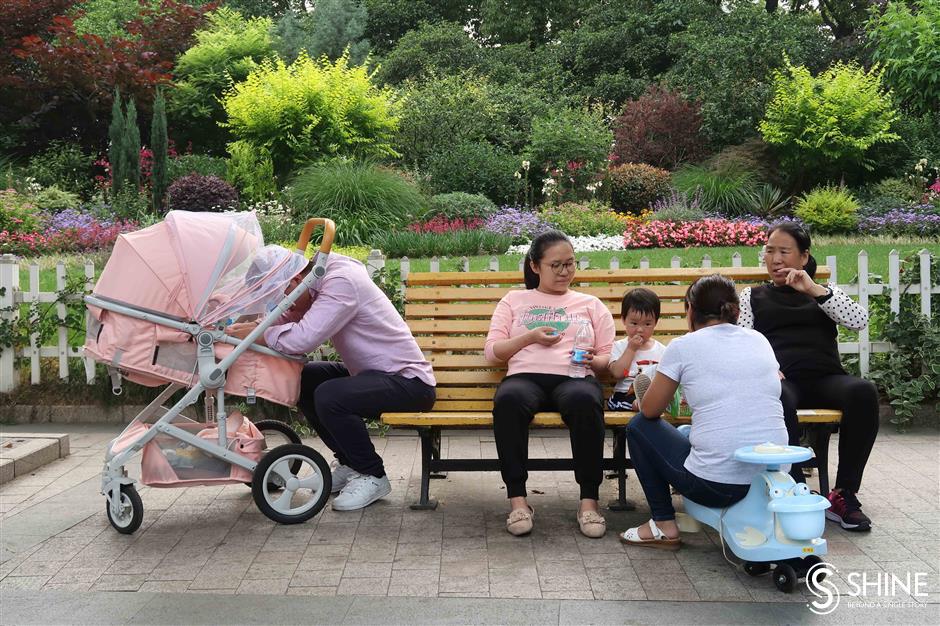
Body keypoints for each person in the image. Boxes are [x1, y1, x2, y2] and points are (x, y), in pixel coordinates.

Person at [229, 248, 436, 511]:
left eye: (283, 298)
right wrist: (252, 328)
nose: (285, 304)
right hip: (373, 375)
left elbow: (303, 339)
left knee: (331, 395)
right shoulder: (313, 279)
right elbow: (289, 315)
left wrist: (258, 334)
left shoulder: (341, 282)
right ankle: (350, 464)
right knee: (306, 378)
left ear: (294, 281)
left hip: (409, 383)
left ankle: (372, 474)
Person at [619, 274, 788, 550]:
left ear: (690, 311)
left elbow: (650, 411)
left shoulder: (683, 346)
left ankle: (663, 523)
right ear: (736, 311)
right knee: (687, 433)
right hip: (772, 481)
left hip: (716, 486)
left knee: (639, 428)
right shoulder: (759, 340)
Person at [739, 221, 877, 532]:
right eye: (770, 251)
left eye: (784, 252)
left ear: (803, 257)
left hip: (826, 379)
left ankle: (844, 495)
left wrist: (814, 290)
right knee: (777, 394)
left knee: (863, 392)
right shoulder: (753, 296)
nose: (775, 259)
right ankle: (795, 489)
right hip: (785, 380)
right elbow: (742, 340)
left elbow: (859, 320)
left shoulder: (825, 294)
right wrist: (765, 366)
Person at [484, 230, 616, 538]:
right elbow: (492, 353)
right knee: (509, 400)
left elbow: (607, 361)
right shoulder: (514, 300)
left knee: (585, 400)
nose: (564, 272)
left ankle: (589, 503)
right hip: (525, 378)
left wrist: (591, 360)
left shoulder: (590, 305)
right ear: (535, 266)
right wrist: (529, 336)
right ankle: (518, 501)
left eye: (569, 263)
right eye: (555, 265)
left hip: (573, 378)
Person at [606, 288, 666, 411]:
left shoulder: (661, 350)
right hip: (624, 395)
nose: (640, 329)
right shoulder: (619, 347)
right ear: (623, 320)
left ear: (656, 323)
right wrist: (631, 349)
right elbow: (618, 374)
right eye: (634, 323)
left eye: (647, 324)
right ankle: (640, 406)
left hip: (652, 396)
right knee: (633, 404)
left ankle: (644, 405)